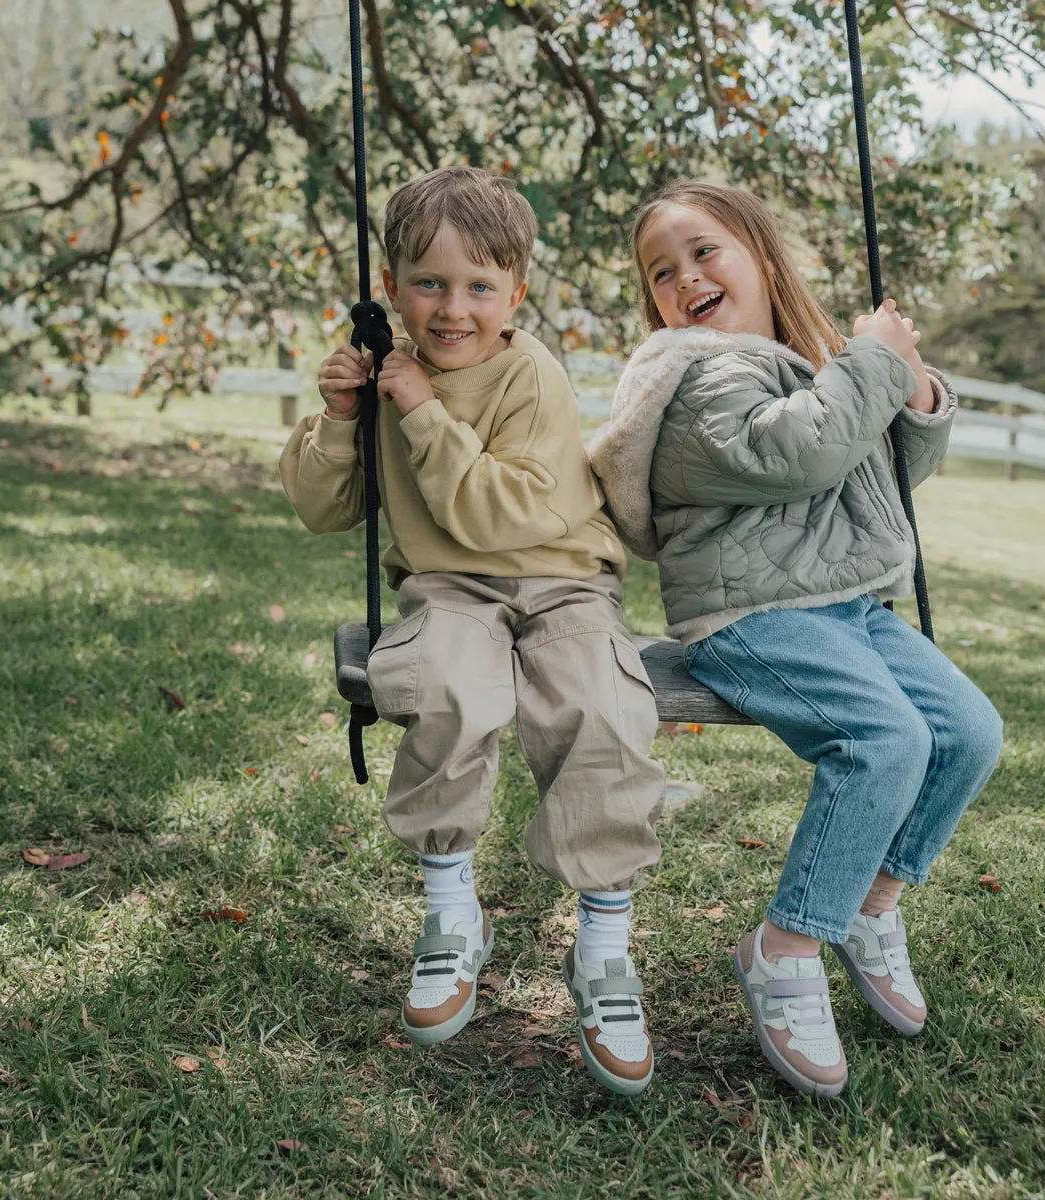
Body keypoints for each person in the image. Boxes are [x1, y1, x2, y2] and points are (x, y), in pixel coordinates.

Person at [589, 180, 1003, 1097]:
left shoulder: (802, 357)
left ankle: (872, 903)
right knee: (883, 742)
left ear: (759, 251)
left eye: (704, 251)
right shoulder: (691, 373)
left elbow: (885, 466)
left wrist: (916, 388)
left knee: (970, 732)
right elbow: (798, 453)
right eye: (662, 270)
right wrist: (869, 364)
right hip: (748, 614)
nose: (685, 277)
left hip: (846, 604)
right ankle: (786, 946)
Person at [280, 166, 666, 1096]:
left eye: (480, 287)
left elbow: (507, 514)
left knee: (601, 709)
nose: (454, 308)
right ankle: (454, 916)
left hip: (562, 580)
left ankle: (603, 948)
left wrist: (417, 409)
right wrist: (342, 420)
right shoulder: (381, 375)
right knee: (445, 686)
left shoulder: (528, 371)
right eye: (430, 284)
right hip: (449, 589)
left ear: (515, 294)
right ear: (392, 289)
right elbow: (326, 510)